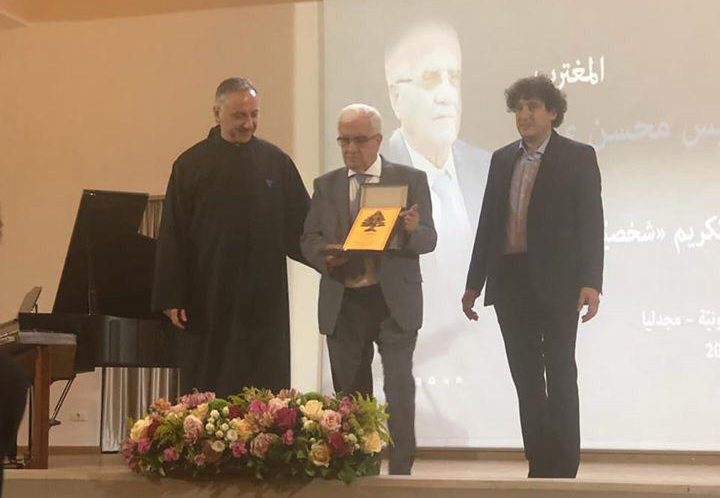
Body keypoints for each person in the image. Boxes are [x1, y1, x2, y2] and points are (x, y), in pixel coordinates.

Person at [462, 75, 604, 478]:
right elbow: (488, 224)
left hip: (558, 282)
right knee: (525, 377)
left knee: (560, 372)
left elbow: (591, 222)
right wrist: (473, 283)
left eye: (533, 107)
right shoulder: (502, 159)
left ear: (552, 113)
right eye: (519, 108)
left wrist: (591, 282)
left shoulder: (578, 156)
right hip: (510, 281)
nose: (524, 115)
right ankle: (539, 462)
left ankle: (565, 464)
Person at [152, 77, 310, 398]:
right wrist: (172, 296)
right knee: (210, 382)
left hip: (264, 299)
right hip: (208, 295)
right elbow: (173, 234)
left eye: (254, 114)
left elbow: (303, 226)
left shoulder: (276, 162)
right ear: (217, 114)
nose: (248, 123)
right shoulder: (190, 165)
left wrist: (335, 257)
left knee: (265, 386)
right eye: (240, 116)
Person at [301, 104, 436, 474]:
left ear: (378, 140)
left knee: (398, 386)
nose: (350, 148)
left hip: (393, 301)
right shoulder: (326, 185)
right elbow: (308, 239)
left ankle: (402, 470)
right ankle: (360, 468)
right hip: (345, 299)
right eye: (343, 140)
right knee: (351, 391)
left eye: (359, 140)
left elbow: (429, 239)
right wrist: (325, 257)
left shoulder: (409, 179)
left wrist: (412, 230)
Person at [382, 21, 491, 445]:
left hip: (487, 376)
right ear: (396, 97)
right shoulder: (378, 175)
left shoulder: (487, 168)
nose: (447, 93)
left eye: (454, 77)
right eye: (431, 79)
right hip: (409, 347)